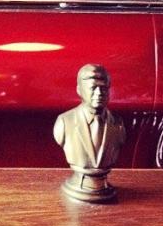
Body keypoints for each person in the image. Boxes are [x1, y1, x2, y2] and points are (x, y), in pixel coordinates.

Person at [54, 64, 126, 200]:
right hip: (75, 189)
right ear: (79, 90)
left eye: (104, 88)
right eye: (93, 88)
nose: (99, 93)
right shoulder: (64, 122)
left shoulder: (118, 124)